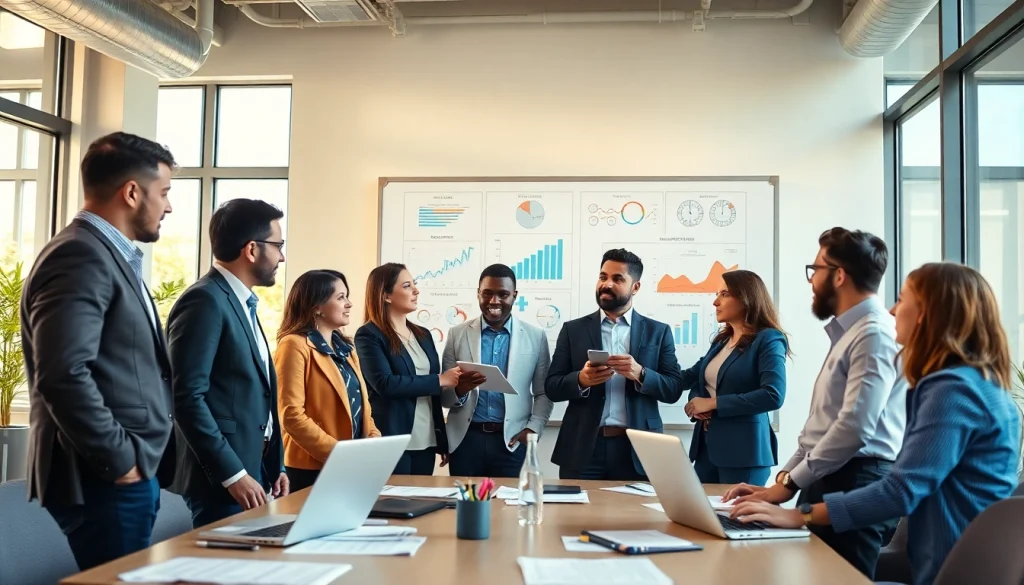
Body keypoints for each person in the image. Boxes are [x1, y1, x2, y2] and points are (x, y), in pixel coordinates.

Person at [731, 262, 1021, 585]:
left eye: (902, 298)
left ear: (926, 312)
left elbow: (900, 490)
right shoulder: (981, 387)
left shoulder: (952, 391)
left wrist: (800, 515)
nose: (893, 310)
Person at [20, 132, 176, 570]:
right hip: (104, 477)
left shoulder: (105, 253)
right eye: (164, 193)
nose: (168, 206)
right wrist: (120, 460)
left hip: (119, 474)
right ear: (131, 192)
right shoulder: (79, 255)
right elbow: (63, 372)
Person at [723, 227, 907, 579]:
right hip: (834, 476)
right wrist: (778, 484)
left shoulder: (873, 334)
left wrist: (788, 485)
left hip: (857, 480)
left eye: (816, 269)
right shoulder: (850, 332)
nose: (811, 281)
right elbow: (820, 428)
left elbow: (854, 427)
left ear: (838, 275)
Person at [166, 198, 289, 528]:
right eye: (278, 245)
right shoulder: (204, 300)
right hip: (220, 482)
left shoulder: (242, 302)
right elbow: (187, 398)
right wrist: (233, 474)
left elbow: (256, 393)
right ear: (252, 249)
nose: (282, 256)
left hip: (255, 472)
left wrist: (274, 464)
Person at [546, 248, 685, 480]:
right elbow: (552, 386)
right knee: (576, 517)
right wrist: (581, 380)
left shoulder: (658, 332)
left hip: (639, 450)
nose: (606, 284)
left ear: (636, 287)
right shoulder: (573, 330)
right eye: (603, 277)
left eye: (617, 279)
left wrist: (641, 374)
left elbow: (674, 389)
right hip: (582, 449)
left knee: (637, 517)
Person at [441, 264, 554, 478]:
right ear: (478, 294)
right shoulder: (457, 334)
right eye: (487, 293)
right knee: (466, 508)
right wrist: (460, 391)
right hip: (465, 440)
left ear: (514, 296)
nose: (494, 301)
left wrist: (532, 430)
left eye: (503, 294)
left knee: (508, 508)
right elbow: (444, 396)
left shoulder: (535, 337)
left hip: (511, 442)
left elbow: (543, 391)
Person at [274, 269, 382, 492]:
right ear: (317, 306)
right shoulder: (294, 345)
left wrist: (374, 443)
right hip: (311, 468)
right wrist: (339, 455)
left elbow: (363, 408)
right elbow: (291, 415)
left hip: (351, 465)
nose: (349, 304)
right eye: (340, 297)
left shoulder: (347, 349)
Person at [681, 269, 789, 486]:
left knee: (734, 520)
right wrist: (695, 402)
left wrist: (713, 403)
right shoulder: (721, 342)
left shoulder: (768, 339)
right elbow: (696, 378)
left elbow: (773, 395)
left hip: (744, 454)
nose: (715, 302)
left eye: (724, 294)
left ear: (746, 298)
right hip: (706, 451)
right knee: (699, 518)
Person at [354, 263, 460, 475]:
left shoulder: (423, 334)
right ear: (386, 296)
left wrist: (442, 440)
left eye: (415, 285)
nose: (416, 290)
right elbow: (385, 383)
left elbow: (433, 393)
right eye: (407, 286)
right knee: (394, 505)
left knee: (421, 504)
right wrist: (439, 380)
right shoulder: (369, 335)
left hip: (427, 438)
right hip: (392, 438)